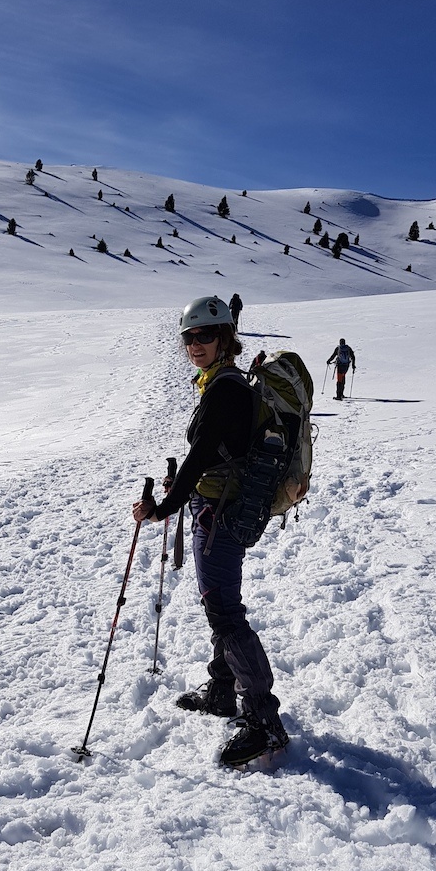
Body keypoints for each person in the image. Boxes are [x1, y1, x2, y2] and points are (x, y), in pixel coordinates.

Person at [132, 295, 288, 769]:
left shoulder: (226, 388)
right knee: (216, 601)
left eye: (205, 335)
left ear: (225, 338)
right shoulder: (218, 384)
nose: (195, 344)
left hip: (220, 515)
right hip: (214, 507)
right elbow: (214, 451)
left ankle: (265, 721)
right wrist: (185, 489)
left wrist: (162, 508)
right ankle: (223, 690)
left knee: (223, 609)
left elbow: (200, 454)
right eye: (188, 337)